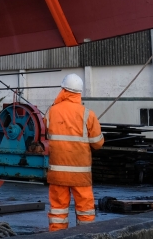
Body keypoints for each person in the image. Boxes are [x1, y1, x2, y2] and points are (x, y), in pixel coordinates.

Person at [45, 73, 104, 231]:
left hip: (58, 174)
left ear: (63, 90)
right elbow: (98, 144)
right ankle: (86, 235)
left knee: (58, 211)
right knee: (85, 210)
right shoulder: (88, 114)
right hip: (81, 175)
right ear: (79, 93)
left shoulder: (51, 112)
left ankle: (57, 235)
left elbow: (46, 134)